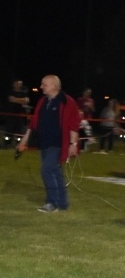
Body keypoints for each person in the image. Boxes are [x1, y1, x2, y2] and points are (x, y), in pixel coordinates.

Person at [16, 75, 81, 212]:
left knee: (46, 169)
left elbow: (74, 124)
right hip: (44, 143)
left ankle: (52, 203)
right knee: (55, 172)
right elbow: (33, 123)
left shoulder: (67, 102)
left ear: (53, 86)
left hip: (57, 144)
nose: (41, 87)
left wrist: (73, 144)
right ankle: (62, 203)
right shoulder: (42, 101)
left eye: (44, 84)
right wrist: (24, 140)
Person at [5, 79, 30, 149]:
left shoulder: (24, 92)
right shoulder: (10, 92)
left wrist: (17, 100)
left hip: (20, 115)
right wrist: (21, 100)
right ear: (14, 84)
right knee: (9, 131)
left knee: (19, 131)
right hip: (11, 115)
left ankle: (18, 144)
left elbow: (27, 101)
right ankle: (7, 144)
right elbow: (11, 99)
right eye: (18, 84)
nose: (19, 85)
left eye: (20, 84)